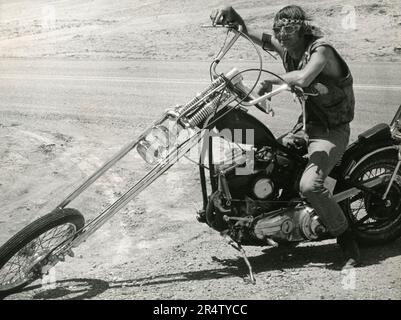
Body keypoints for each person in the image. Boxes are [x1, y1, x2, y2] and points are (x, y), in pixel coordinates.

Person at [210, 5, 360, 270]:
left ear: (302, 28)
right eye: (279, 30)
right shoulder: (286, 49)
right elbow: (249, 33)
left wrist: (272, 82)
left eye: (289, 30)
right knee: (264, 158)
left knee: (309, 187)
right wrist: (232, 13)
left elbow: (303, 77)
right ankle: (264, 220)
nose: (282, 36)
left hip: (331, 132)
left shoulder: (321, 50)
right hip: (305, 127)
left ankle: (347, 241)